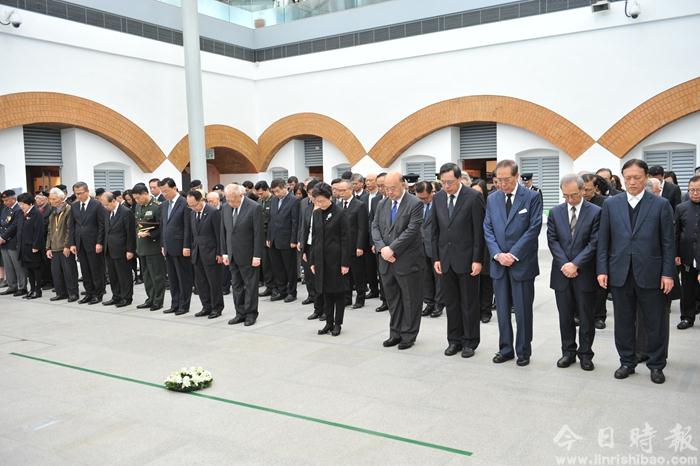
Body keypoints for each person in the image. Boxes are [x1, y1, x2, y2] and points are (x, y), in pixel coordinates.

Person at [597, 159, 675, 384]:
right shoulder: (612, 205)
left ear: (646, 177)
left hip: (652, 272)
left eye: (637, 178)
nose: (632, 182)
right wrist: (602, 269)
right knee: (623, 320)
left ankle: (656, 364)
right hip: (620, 272)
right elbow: (604, 240)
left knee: (655, 321)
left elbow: (668, 243)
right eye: (628, 178)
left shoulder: (660, 205)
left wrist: (668, 273)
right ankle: (626, 361)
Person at [484, 159, 543, 366]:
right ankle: (506, 348)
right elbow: (488, 229)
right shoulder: (492, 199)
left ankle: (524, 350)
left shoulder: (532, 197)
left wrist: (513, 254)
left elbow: (533, 229)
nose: (502, 184)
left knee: (523, 310)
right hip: (499, 264)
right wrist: (498, 254)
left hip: (522, 264)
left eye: (506, 180)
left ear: (516, 176)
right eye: (498, 180)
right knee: (501, 310)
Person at [547, 175, 601, 371]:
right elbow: (552, 240)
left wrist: (576, 264)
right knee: (565, 316)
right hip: (562, 273)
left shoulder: (595, 212)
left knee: (586, 317)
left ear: (583, 191)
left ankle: (586, 354)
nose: (570, 200)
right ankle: (568, 352)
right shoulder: (555, 212)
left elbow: (595, 243)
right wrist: (565, 264)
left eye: (574, 195)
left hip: (584, 273)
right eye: (566, 196)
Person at [432, 163, 485, 358]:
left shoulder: (473, 197)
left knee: (469, 303)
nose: (446, 186)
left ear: (459, 179)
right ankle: (453, 340)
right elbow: (434, 230)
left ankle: (470, 341)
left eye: (450, 182)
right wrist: (436, 257)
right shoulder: (437, 198)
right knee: (451, 303)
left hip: (467, 259)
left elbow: (479, 232)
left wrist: (477, 259)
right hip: (445, 259)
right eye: (443, 182)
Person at [371, 172, 425, 350]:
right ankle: (395, 333)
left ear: (403, 185)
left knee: (410, 299)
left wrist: (391, 249)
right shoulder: (382, 203)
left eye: (392, 188)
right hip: (386, 260)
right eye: (386, 188)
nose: (389, 192)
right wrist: (382, 248)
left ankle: (408, 335)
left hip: (406, 261)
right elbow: (375, 226)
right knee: (393, 299)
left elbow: (411, 231)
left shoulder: (415, 203)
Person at [309, 183, 352, 336]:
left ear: (329, 197)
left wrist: (345, 263)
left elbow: (346, 239)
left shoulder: (340, 213)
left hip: (336, 260)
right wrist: (312, 261)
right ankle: (328, 322)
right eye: (316, 201)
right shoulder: (316, 213)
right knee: (325, 292)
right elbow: (314, 238)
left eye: (321, 200)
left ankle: (338, 323)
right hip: (320, 260)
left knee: (338, 293)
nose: (318, 204)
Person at [221, 184, 264, 326]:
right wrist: (225, 252)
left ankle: (251, 314)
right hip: (232, 254)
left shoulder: (254, 207)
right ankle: (240, 313)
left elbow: (259, 234)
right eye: (228, 199)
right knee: (237, 286)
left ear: (241, 195)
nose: (230, 202)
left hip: (249, 254)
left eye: (233, 199)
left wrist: (257, 255)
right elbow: (224, 232)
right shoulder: (226, 207)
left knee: (250, 286)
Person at [187, 190, 224, 319]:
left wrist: (220, 253)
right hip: (197, 253)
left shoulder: (213, 212)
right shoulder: (192, 213)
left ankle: (216, 308)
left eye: (193, 204)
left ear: (201, 200)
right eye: (189, 205)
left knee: (214, 282)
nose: (192, 207)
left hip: (211, 252)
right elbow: (193, 234)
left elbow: (219, 234)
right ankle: (206, 306)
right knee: (201, 282)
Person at [159, 177, 192, 315]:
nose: (164, 194)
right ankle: (175, 303)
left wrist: (186, 246)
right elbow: (163, 226)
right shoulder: (165, 204)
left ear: (174, 188)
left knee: (183, 277)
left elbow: (187, 227)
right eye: (162, 192)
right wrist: (162, 244)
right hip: (168, 247)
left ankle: (184, 305)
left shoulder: (184, 203)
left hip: (180, 247)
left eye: (166, 191)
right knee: (172, 278)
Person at [69, 182, 106, 304]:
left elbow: (102, 225)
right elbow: (72, 226)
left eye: (80, 193)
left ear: (87, 192)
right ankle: (89, 293)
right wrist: (72, 243)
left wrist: (99, 242)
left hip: (94, 242)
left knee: (96, 269)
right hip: (80, 243)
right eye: (76, 193)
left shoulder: (97, 205)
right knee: (85, 270)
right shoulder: (74, 206)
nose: (78, 196)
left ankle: (98, 293)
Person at [336, 179, 369, 309]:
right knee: (345, 274)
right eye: (339, 191)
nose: (341, 193)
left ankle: (360, 298)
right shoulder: (338, 205)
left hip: (355, 245)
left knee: (358, 273)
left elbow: (362, 228)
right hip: (342, 246)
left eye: (343, 190)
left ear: (350, 190)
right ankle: (347, 298)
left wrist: (360, 246)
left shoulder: (359, 205)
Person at [132, 183, 165, 311]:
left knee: (156, 275)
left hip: (153, 246)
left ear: (145, 194)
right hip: (142, 247)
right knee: (146, 276)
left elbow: (161, 227)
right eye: (135, 198)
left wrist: (150, 234)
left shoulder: (157, 207)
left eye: (138, 198)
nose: (136, 201)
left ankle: (158, 300)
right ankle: (150, 298)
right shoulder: (138, 207)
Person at [674, 175, 700, 330]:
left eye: (698, 190)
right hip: (687, 256)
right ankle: (687, 317)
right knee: (687, 288)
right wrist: (676, 253)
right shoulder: (681, 208)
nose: (695, 193)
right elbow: (675, 233)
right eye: (692, 190)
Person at [101, 192, 136, 307]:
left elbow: (130, 232)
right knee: (113, 275)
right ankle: (116, 296)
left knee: (124, 275)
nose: (105, 207)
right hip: (109, 249)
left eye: (106, 204)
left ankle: (126, 297)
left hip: (122, 249)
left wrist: (130, 250)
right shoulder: (107, 212)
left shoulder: (126, 212)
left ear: (113, 201)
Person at [267, 178, 299, 303]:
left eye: (278, 191)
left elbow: (295, 222)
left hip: (287, 240)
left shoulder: (294, 201)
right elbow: (271, 220)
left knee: (289, 268)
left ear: (285, 187)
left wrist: (294, 240)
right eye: (274, 192)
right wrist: (269, 237)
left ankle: (292, 292)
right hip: (274, 239)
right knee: (277, 267)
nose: (276, 194)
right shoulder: (274, 200)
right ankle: (282, 290)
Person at [45, 188, 79, 302]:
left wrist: (67, 245)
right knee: (56, 272)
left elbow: (70, 229)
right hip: (54, 247)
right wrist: (48, 247)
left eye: (54, 199)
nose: (51, 201)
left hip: (64, 247)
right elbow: (50, 230)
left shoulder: (69, 209)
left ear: (61, 198)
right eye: (50, 199)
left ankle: (73, 293)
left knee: (69, 271)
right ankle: (61, 293)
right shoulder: (53, 211)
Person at [415, 181, 443, 319]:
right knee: (426, 277)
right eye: (420, 198)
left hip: (436, 247)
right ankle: (429, 303)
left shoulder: (440, 203)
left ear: (432, 192)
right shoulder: (416, 205)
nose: (423, 200)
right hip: (421, 247)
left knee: (438, 277)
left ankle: (439, 304)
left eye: (425, 197)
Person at [471, 180, 494, 323]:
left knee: (486, 281)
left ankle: (486, 311)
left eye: (479, 193)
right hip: (472, 248)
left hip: (487, 247)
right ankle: (476, 310)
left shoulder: (489, 207)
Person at [16, 193, 46, 299]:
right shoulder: (21, 213)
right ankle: (31, 290)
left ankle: (37, 291)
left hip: (33, 247)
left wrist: (36, 246)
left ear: (29, 203)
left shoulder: (36, 213)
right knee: (29, 270)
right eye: (19, 203)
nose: (21, 206)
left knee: (36, 270)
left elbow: (39, 231)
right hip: (23, 247)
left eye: (23, 204)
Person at [0, 190, 27, 296]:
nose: (5, 202)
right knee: (8, 266)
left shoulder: (18, 209)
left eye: (7, 200)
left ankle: (22, 287)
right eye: (3, 200)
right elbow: (2, 224)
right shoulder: (5, 209)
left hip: (13, 241)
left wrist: (3, 237)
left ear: (13, 198)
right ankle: (12, 286)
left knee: (18, 266)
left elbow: (15, 226)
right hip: (4, 242)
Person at [298, 179, 319, 308]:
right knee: (309, 275)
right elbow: (303, 227)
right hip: (308, 245)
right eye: (310, 193)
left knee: (319, 277)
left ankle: (322, 306)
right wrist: (302, 244)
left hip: (321, 247)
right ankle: (313, 298)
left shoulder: (328, 207)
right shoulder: (306, 207)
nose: (312, 196)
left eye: (314, 193)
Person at [371, 172, 389, 312]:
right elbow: (373, 223)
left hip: (395, 245)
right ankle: (384, 300)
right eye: (379, 186)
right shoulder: (376, 200)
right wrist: (375, 243)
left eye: (383, 185)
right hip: (379, 244)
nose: (382, 189)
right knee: (382, 273)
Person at [255, 181, 275, 297]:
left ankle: (276, 287)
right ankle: (269, 286)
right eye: (258, 194)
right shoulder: (259, 201)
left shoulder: (273, 201)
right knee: (265, 264)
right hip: (261, 236)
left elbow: (272, 220)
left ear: (267, 190)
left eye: (262, 193)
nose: (260, 195)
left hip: (270, 235)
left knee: (273, 263)